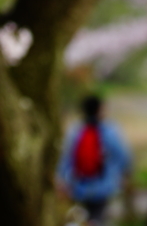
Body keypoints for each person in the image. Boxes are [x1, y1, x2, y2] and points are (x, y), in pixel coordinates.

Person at [56, 94, 132, 225]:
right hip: (103, 186)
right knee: (98, 218)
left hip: (79, 187)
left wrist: (62, 180)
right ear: (100, 109)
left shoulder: (76, 130)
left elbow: (67, 158)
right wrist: (125, 174)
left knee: (81, 218)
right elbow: (123, 155)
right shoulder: (109, 130)